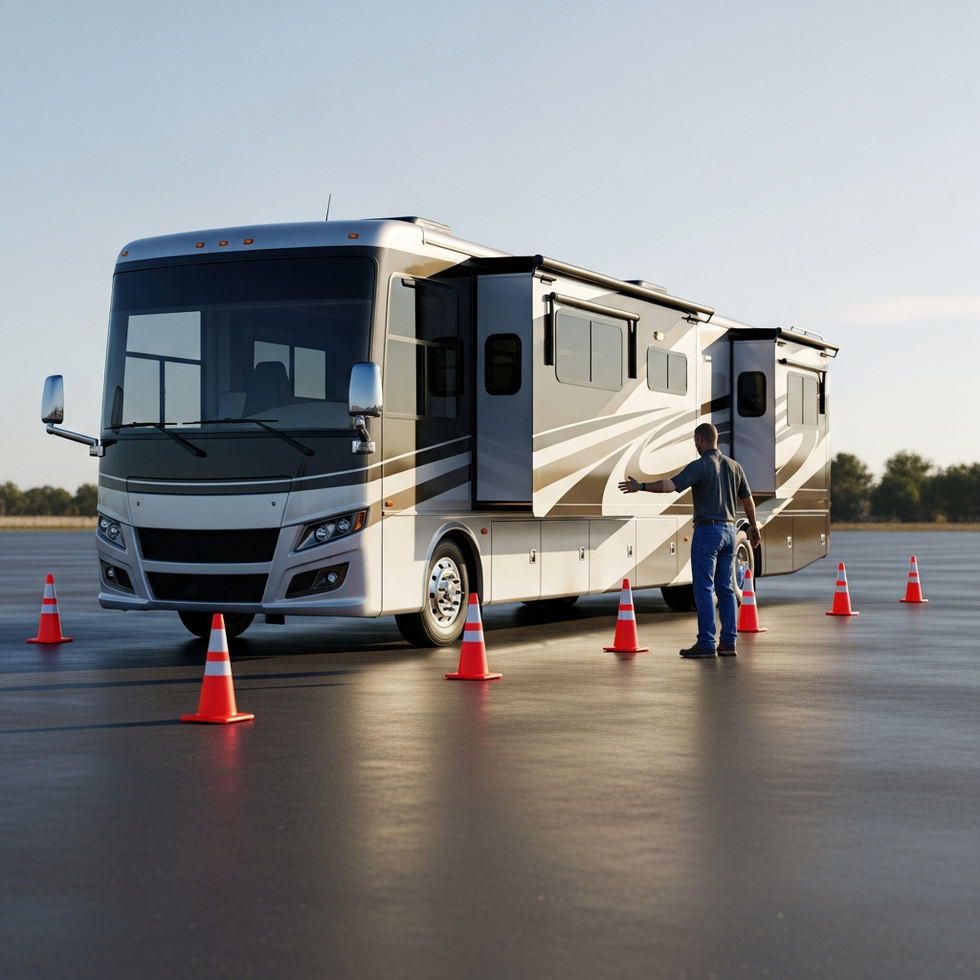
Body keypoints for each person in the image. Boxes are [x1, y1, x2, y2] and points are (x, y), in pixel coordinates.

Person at [618, 423, 761, 658]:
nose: (696, 445)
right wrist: (753, 526)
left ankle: (706, 642)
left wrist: (640, 486)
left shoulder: (700, 465)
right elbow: (748, 501)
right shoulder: (735, 467)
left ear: (700, 440)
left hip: (708, 532)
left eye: (696, 442)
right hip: (729, 532)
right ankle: (728, 643)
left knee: (703, 589)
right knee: (725, 588)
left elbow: (668, 486)